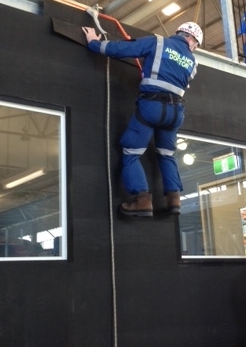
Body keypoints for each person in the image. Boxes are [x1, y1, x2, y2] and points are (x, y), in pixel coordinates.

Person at [82, 21, 202, 218]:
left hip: (152, 106)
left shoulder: (158, 42)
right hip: (175, 113)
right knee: (167, 155)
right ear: (190, 38)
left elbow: (122, 49)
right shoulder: (193, 63)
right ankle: (174, 200)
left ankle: (142, 200)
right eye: (195, 44)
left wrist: (95, 43)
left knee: (131, 151)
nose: (194, 48)